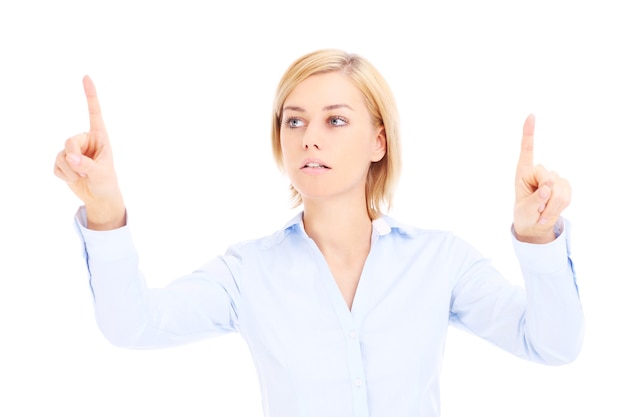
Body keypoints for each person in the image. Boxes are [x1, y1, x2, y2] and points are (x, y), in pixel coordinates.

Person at [53, 49, 584, 417]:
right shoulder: (247, 272)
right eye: (294, 121)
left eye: (335, 121)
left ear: (379, 141)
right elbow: (134, 326)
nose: (309, 139)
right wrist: (105, 211)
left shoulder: (440, 261)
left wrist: (537, 239)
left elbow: (553, 346)